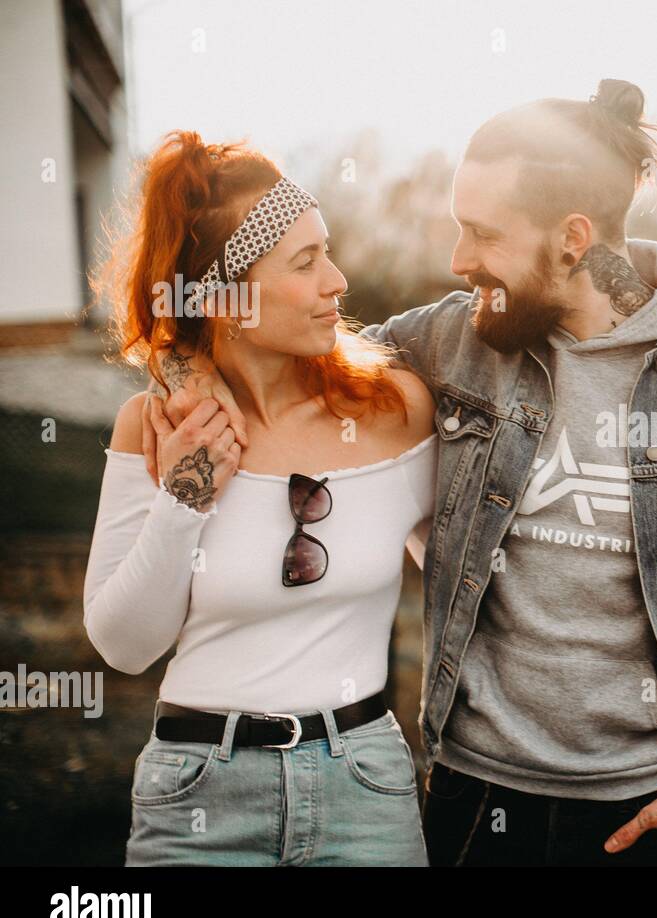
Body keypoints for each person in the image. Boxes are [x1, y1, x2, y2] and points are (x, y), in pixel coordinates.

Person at [151, 79, 657, 866]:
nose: (458, 261)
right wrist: (190, 371)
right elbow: (272, 349)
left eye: (481, 234)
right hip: (471, 802)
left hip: (652, 812)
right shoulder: (450, 344)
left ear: (573, 238)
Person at [84, 130, 435, 866]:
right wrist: (189, 492)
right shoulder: (156, 427)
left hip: (364, 787)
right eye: (305, 263)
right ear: (228, 298)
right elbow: (125, 645)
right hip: (197, 792)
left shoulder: (392, 412)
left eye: (327, 250)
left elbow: (466, 581)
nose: (338, 280)